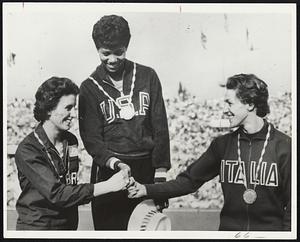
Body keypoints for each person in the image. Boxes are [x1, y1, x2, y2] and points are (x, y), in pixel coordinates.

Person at [128, 74, 291, 231]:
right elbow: (188, 181)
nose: (226, 110)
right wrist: (146, 189)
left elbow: (293, 206)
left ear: (249, 104)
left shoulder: (284, 146)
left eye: (230, 103)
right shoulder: (222, 144)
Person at [78, 15, 171, 230]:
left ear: (127, 46)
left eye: (118, 52)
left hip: (145, 168)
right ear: (97, 49)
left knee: (147, 230)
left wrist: (161, 177)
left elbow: (160, 127)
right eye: (105, 53)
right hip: (110, 169)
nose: (112, 59)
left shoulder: (148, 76)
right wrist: (114, 163)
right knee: (109, 231)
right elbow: (91, 139)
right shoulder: (89, 87)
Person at [14, 77, 129, 230]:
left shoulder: (71, 140)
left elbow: (70, 186)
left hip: (68, 226)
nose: (73, 114)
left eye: (74, 108)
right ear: (49, 108)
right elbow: (57, 194)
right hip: (38, 228)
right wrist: (108, 186)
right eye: (68, 108)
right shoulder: (28, 150)